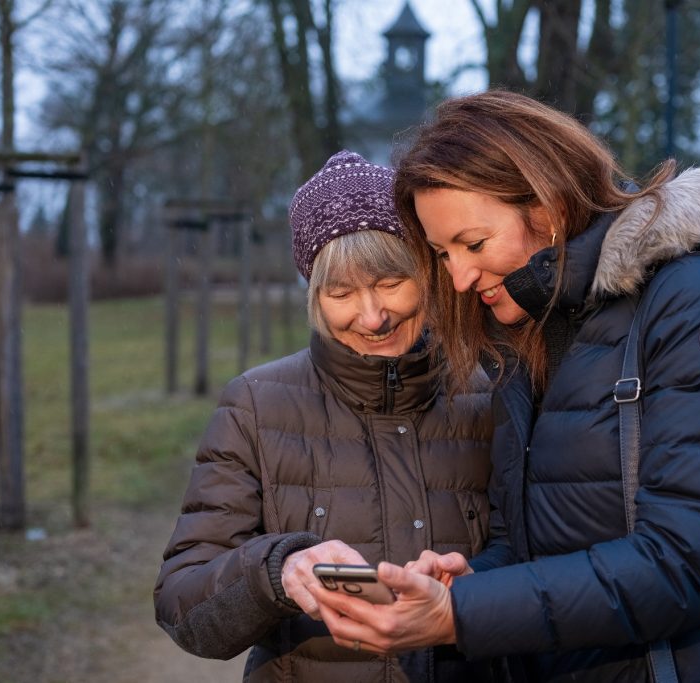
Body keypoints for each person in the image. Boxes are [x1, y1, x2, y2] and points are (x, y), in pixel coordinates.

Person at [311, 91, 700, 682]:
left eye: (474, 244)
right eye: (442, 254)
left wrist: (460, 614)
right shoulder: (529, 332)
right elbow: (532, 540)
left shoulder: (694, 304)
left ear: (550, 204)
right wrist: (471, 584)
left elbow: (685, 564)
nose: (457, 277)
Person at [153, 150, 499, 682]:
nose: (372, 316)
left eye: (389, 283)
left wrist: (476, 587)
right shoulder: (254, 405)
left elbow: (541, 566)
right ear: (315, 297)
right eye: (342, 293)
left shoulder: (489, 395)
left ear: (427, 272)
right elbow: (183, 607)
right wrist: (277, 570)